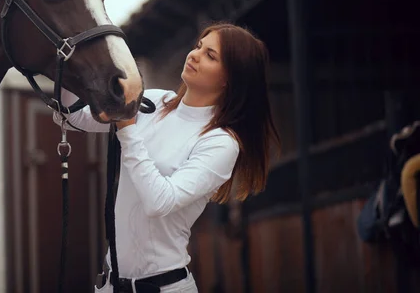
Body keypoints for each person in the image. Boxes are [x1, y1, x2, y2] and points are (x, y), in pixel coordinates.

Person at [53, 22, 280, 292]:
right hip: (110, 284)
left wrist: (127, 128)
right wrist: (68, 58)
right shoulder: (154, 101)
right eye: (198, 47)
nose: (194, 55)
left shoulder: (220, 143)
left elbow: (159, 202)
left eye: (210, 55)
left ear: (228, 78)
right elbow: (71, 116)